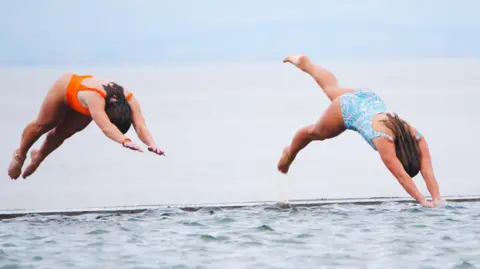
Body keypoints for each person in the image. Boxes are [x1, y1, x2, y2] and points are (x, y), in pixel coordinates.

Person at [277, 55, 443, 207]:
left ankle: (307, 64)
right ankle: (290, 153)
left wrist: (437, 199)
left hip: (369, 98)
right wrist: (422, 200)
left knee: (332, 89)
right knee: (315, 132)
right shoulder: (384, 140)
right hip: (347, 109)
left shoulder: (415, 136)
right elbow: (401, 176)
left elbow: (427, 170)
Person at [8, 73, 165, 180]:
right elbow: (106, 127)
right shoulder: (95, 98)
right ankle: (20, 154)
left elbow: (140, 125)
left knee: (62, 133)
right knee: (43, 125)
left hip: (83, 102)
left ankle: (38, 157)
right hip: (66, 89)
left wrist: (152, 144)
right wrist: (124, 141)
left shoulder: (129, 99)